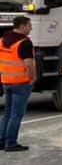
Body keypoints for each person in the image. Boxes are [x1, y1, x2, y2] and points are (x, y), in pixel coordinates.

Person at [0, 15, 36, 152]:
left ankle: (2, 141)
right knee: (17, 113)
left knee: (8, 113)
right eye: (29, 25)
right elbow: (29, 63)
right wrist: (32, 77)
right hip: (21, 82)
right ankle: (11, 143)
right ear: (22, 26)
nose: (31, 28)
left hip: (6, 81)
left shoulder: (3, 40)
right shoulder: (24, 43)